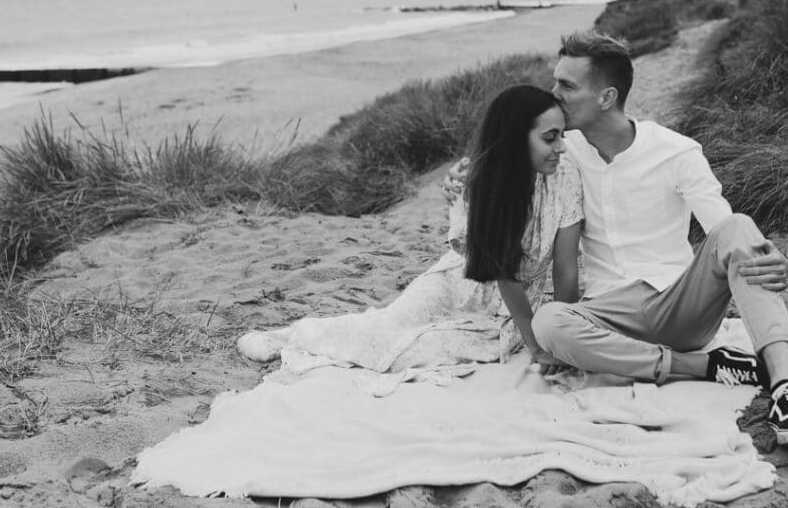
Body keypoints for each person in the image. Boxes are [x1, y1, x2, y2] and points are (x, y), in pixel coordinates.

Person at [442, 31, 788, 451]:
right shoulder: (562, 150)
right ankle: (701, 367)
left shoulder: (676, 152)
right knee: (550, 322)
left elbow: (724, 230)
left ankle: (787, 391)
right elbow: (505, 155)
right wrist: (464, 176)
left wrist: (777, 260)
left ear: (607, 97)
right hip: (607, 315)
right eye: (555, 82)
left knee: (738, 225)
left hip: (678, 303)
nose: (553, 94)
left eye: (567, 86)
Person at [237, 85, 583, 375]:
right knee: (388, 328)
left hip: (518, 306)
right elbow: (502, 273)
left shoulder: (565, 178)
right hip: (462, 281)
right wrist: (536, 346)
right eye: (550, 137)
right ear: (514, 140)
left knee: (420, 352)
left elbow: (565, 269)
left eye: (562, 136)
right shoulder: (478, 184)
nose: (561, 147)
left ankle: (300, 337)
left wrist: (560, 338)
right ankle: (292, 335)